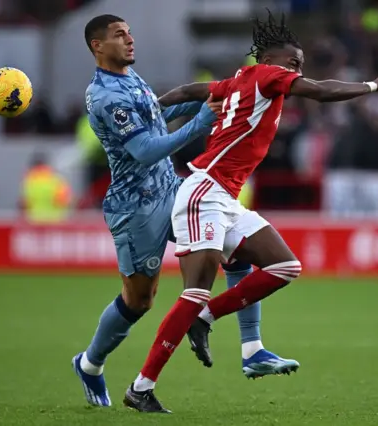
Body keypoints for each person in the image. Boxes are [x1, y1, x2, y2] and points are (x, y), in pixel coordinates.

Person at [124, 10, 378, 412]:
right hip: (203, 193)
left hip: (223, 197)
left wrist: (154, 106)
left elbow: (192, 90)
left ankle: (213, 322)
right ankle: (141, 386)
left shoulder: (239, 81)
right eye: (298, 64)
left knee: (285, 267)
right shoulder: (270, 75)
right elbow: (322, 91)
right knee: (194, 290)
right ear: (284, 62)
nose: (299, 71)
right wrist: (374, 85)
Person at [72, 14, 299, 408]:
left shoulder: (132, 80)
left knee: (235, 249)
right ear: (97, 46)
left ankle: (253, 349)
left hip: (172, 189)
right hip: (136, 206)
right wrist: (201, 122)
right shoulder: (106, 96)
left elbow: (154, 127)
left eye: (130, 31)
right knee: (139, 300)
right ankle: (90, 363)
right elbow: (143, 151)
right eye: (118, 35)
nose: (129, 39)